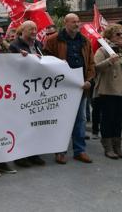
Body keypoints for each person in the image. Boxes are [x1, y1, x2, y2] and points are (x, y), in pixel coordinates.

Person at [43, 13, 95, 164]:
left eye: (79, 22)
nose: (77, 24)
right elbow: (46, 59)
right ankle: (60, 151)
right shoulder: (53, 40)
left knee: (80, 119)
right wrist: (59, 67)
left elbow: (91, 63)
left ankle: (80, 150)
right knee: (61, 119)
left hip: (80, 86)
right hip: (61, 86)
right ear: (65, 23)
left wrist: (88, 80)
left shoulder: (85, 41)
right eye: (74, 22)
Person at [8, 21, 45, 167]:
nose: (34, 31)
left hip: (36, 88)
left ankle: (34, 153)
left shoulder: (38, 45)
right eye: (31, 29)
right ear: (22, 31)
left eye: (36, 29)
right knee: (22, 123)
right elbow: (11, 65)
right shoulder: (14, 46)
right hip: (22, 89)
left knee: (35, 122)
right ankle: (20, 155)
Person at [93, 24, 122, 160]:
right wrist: (109, 60)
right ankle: (108, 147)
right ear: (109, 36)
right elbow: (95, 68)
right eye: (118, 34)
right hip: (108, 90)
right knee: (108, 119)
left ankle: (117, 146)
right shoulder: (103, 50)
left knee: (118, 120)